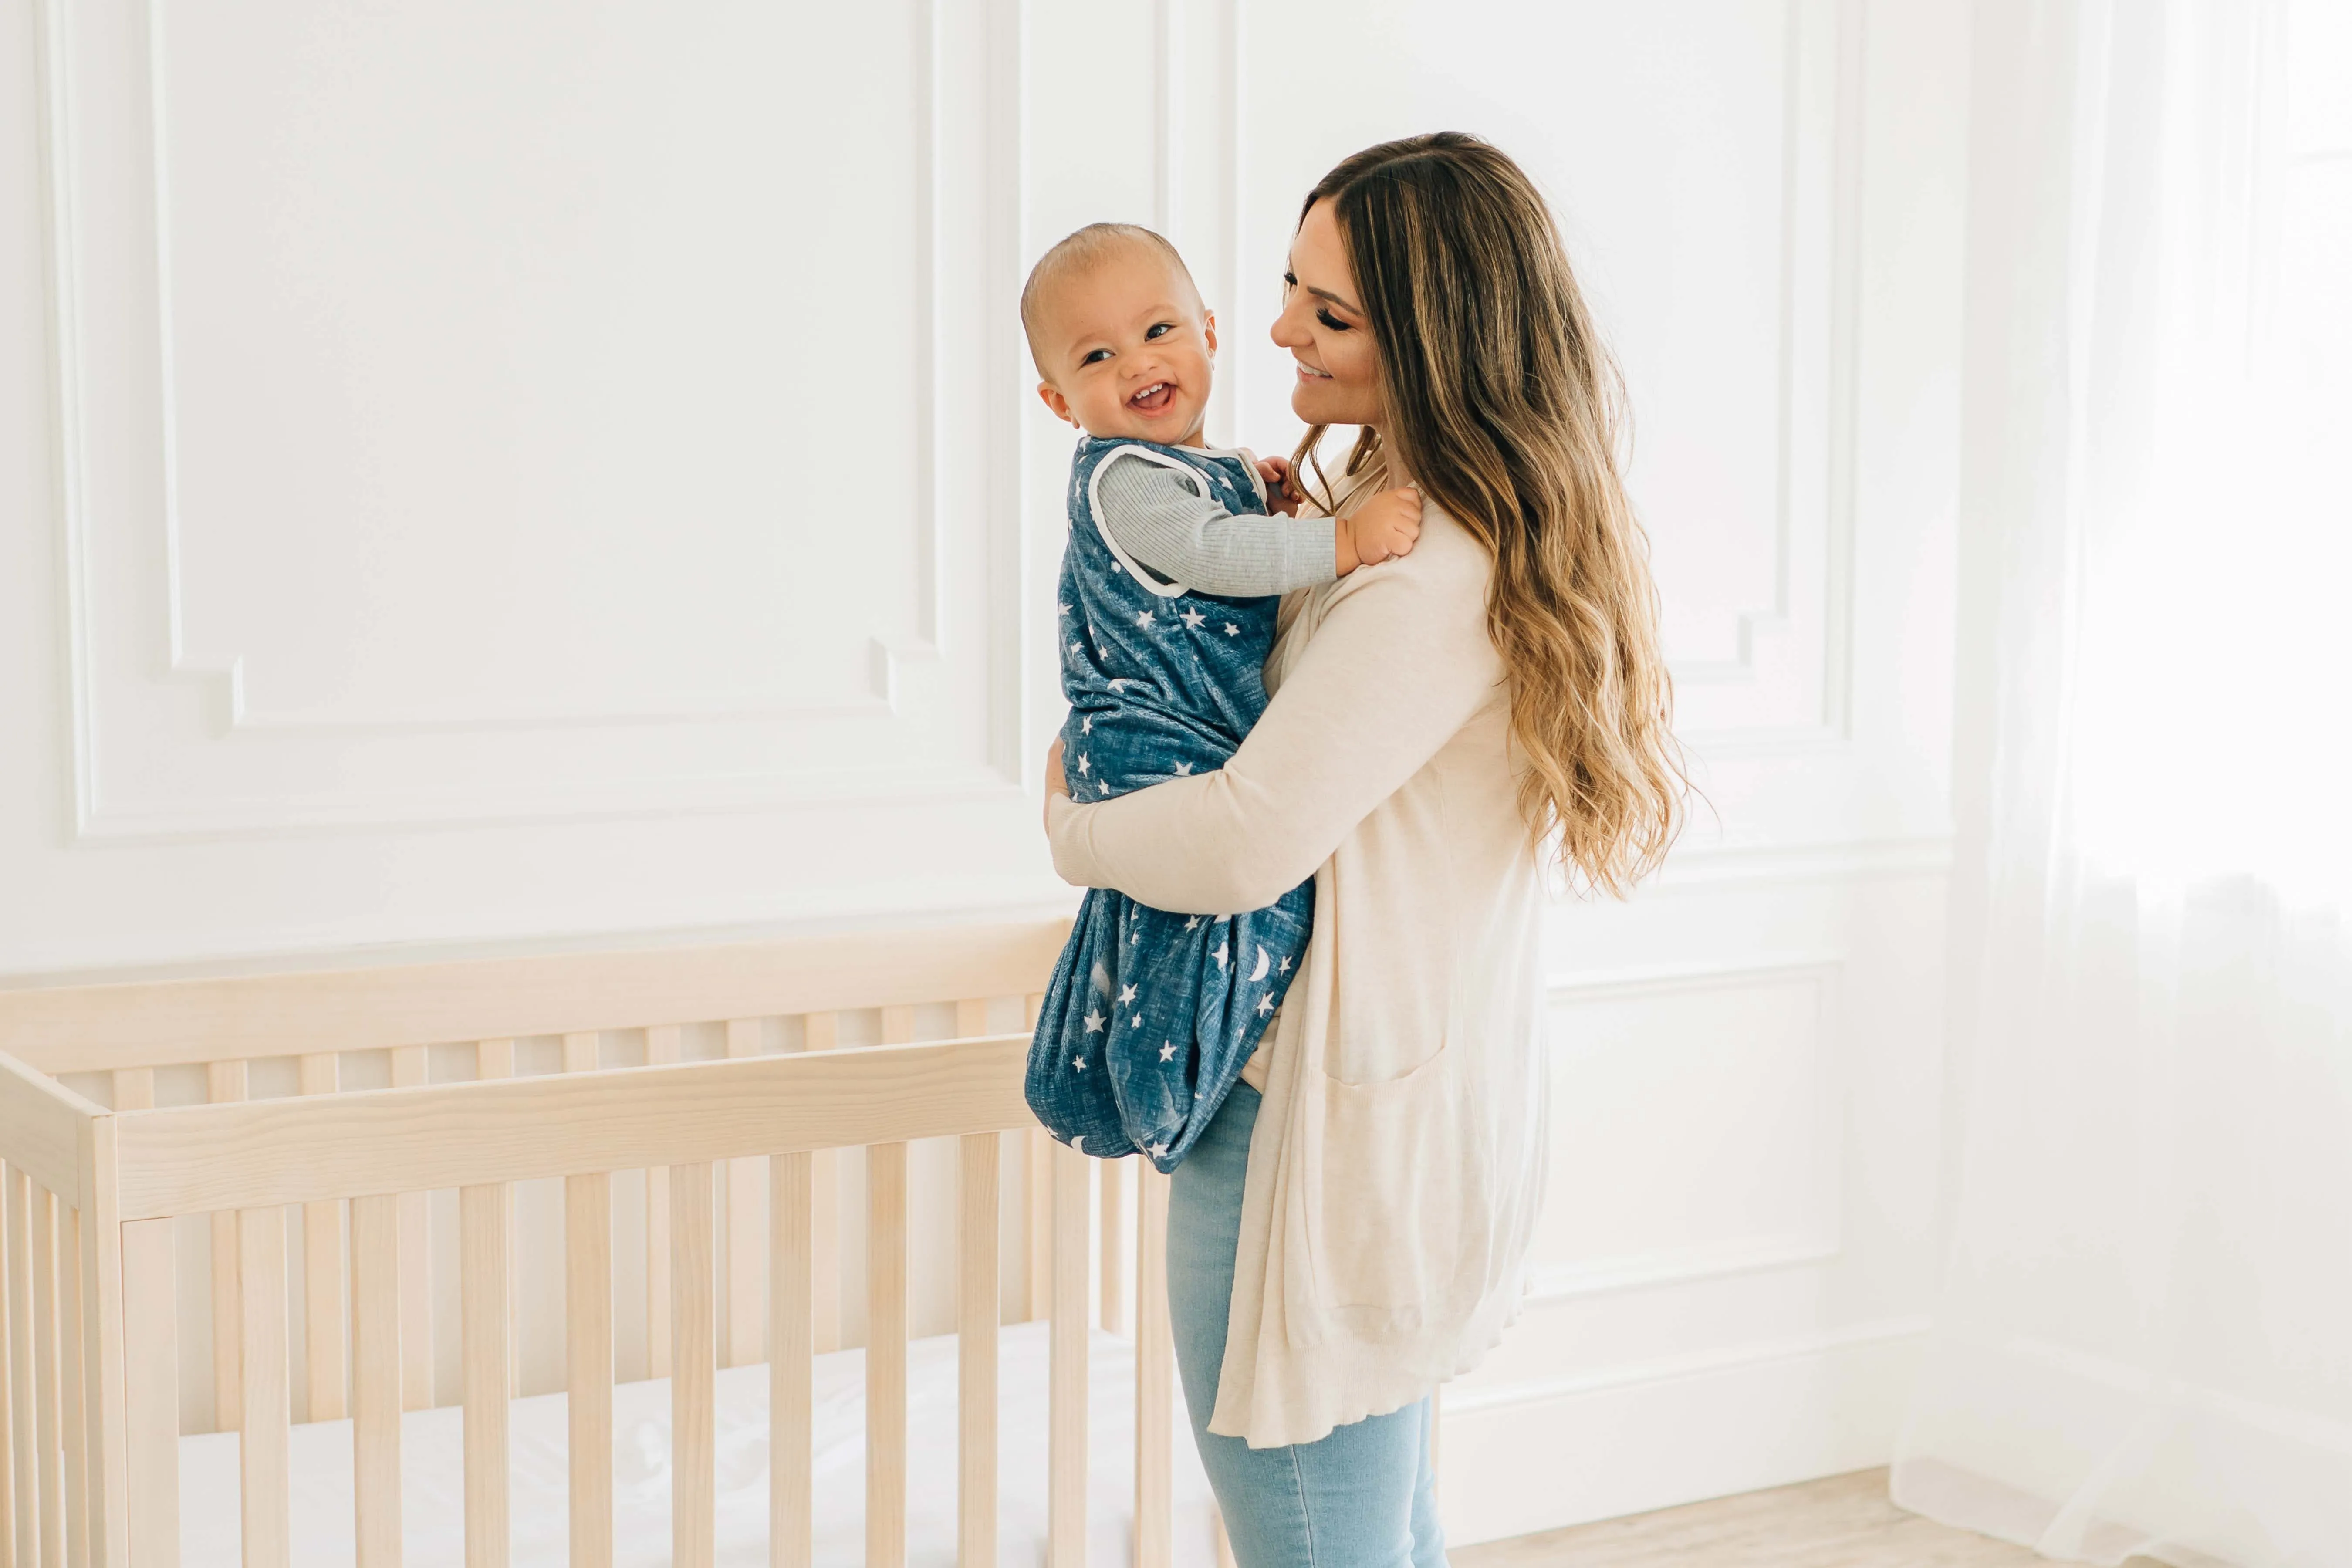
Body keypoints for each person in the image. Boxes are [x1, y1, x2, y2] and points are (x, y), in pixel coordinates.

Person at [1042, 134, 1685, 1566]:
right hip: (1367, 1105)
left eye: (1327, 313)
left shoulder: (1427, 566)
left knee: (1315, 1530)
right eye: (1286, 286)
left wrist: (1074, 823)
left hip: (1312, 1134)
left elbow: (1239, 846)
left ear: (1435, 342)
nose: (1273, 329)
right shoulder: (1376, 518)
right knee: (1371, 1526)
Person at [1018, 221, 1423, 1172]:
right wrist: (1342, 542)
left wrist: (1259, 493)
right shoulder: (1123, 479)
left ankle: (1145, 1071)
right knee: (1193, 918)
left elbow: (1220, 530)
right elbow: (1209, 554)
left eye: (1159, 331)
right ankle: (1161, 1084)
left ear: (1207, 330)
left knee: (1179, 915)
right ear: (1058, 400)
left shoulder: (1188, 473)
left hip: (1195, 733)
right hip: (1153, 736)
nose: (1138, 364)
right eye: (1097, 355)